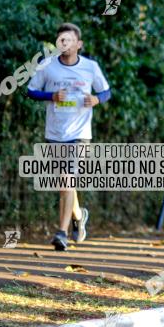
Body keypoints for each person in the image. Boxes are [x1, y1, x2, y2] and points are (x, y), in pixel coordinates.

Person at [26, 23, 111, 251]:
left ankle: (61, 233)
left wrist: (96, 100)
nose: (64, 43)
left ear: (78, 44)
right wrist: (51, 95)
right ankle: (79, 215)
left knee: (66, 180)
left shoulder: (91, 68)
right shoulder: (47, 66)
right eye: (61, 40)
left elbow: (106, 91)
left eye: (69, 40)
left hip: (80, 134)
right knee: (65, 185)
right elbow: (30, 91)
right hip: (55, 132)